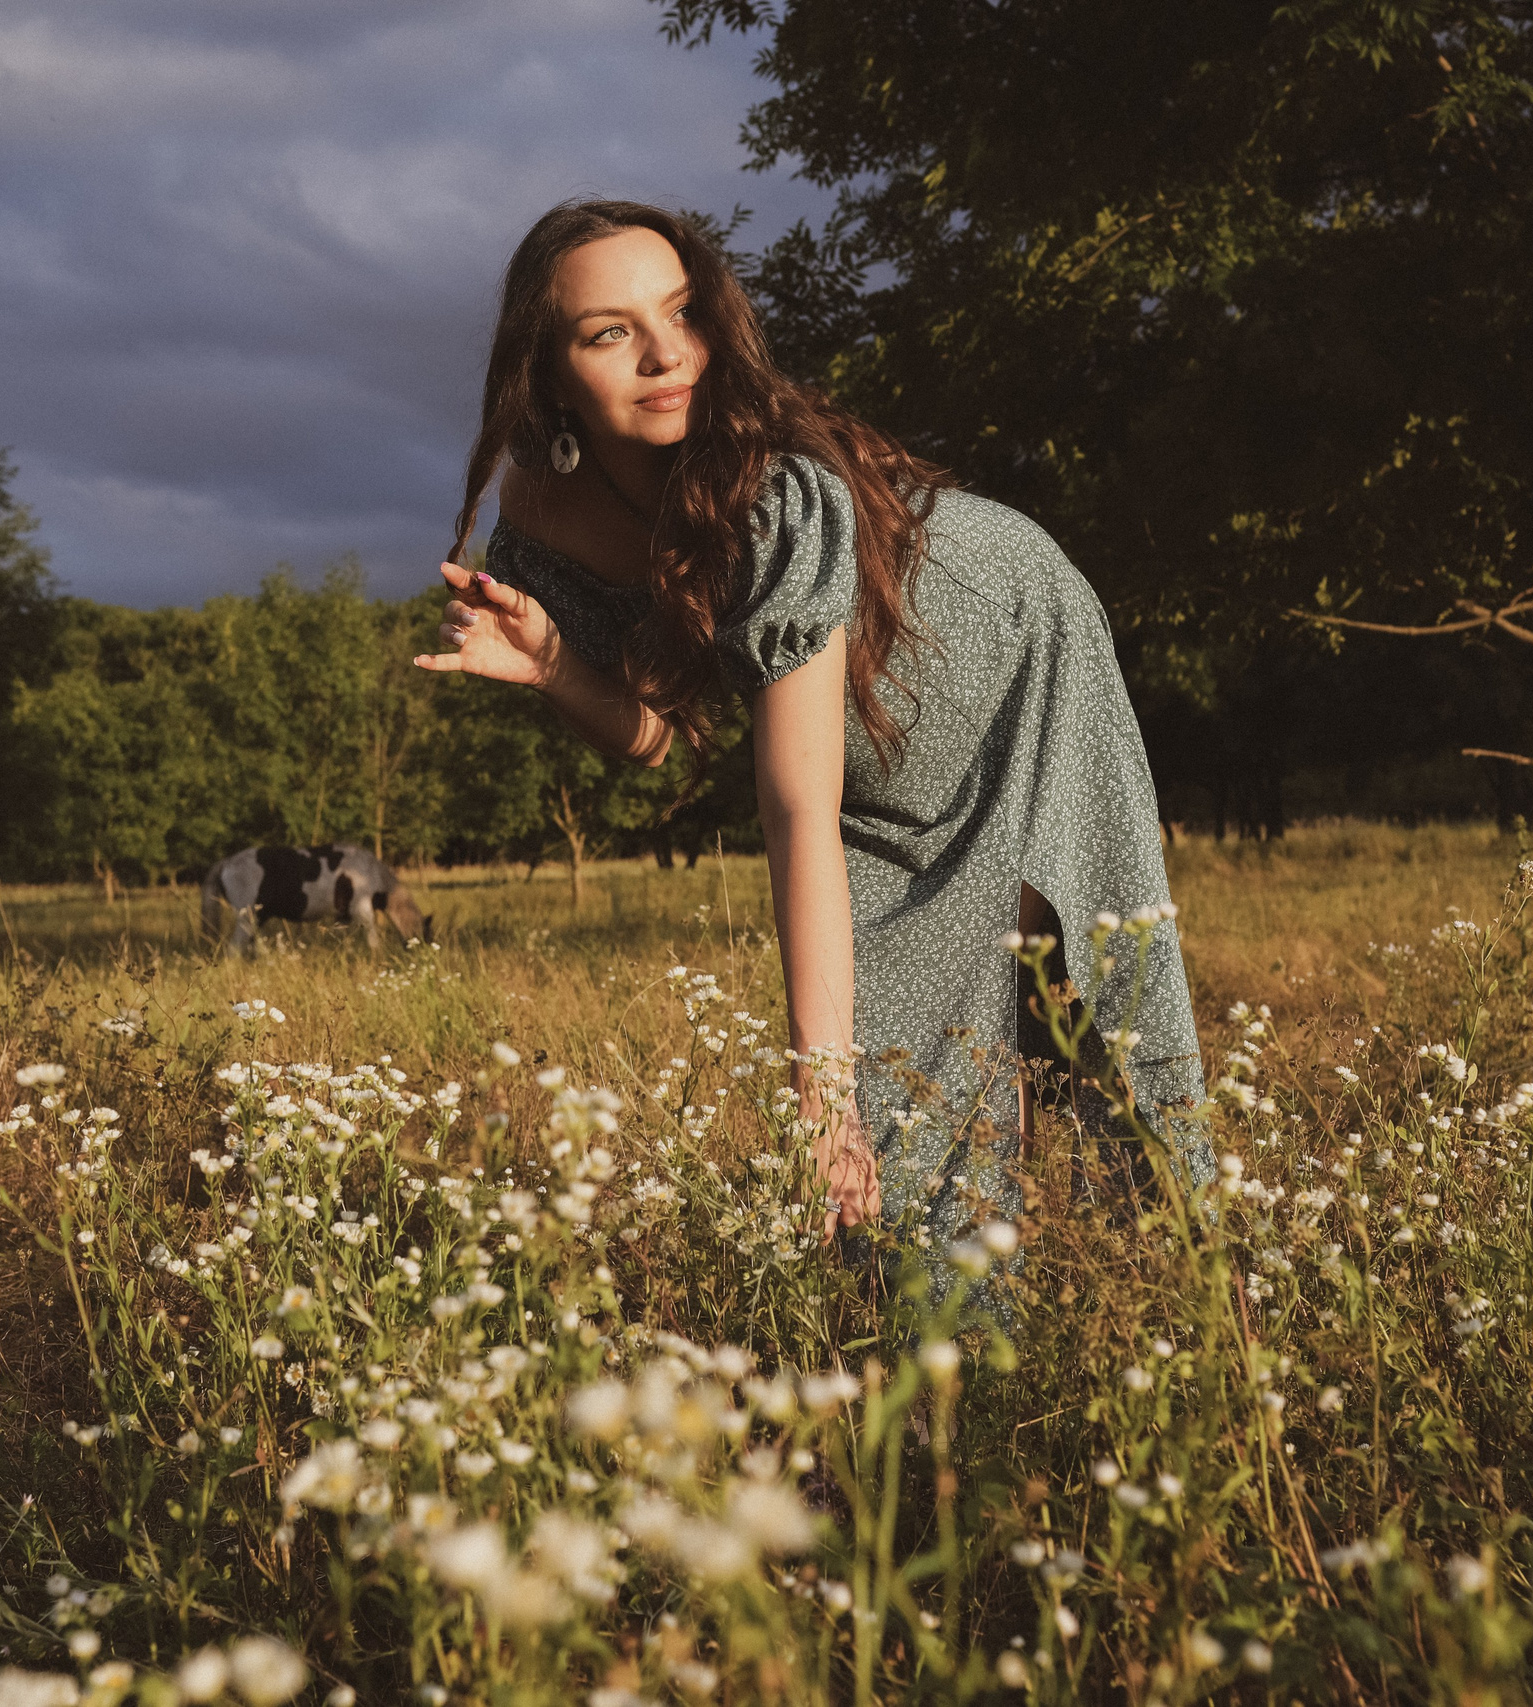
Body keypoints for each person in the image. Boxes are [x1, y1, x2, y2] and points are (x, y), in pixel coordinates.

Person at [415, 199, 1209, 1251]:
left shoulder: (773, 492)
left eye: (682, 313)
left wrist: (818, 1097)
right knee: (904, 1125)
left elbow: (796, 810)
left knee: (1092, 1015)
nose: (665, 354)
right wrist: (556, 667)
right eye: (610, 333)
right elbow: (659, 738)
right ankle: (964, 1327)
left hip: (1010, 652)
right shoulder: (541, 521)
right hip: (866, 762)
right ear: (549, 373)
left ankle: (1191, 1303)